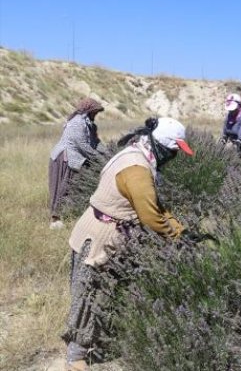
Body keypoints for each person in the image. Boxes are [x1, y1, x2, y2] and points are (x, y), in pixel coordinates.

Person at [62, 117, 194, 371]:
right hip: (103, 237)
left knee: (102, 292)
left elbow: (153, 207)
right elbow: (150, 216)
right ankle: (75, 357)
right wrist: (177, 237)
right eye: (174, 151)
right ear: (161, 146)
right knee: (90, 295)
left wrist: (181, 229)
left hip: (94, 228)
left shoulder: (135, 153)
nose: (174, 157)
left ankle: (101, 340)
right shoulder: (138, 169)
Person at [48, 97, 106, 229]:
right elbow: (82, 145)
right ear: (88, 110)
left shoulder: (90, 124)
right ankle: (55, 218)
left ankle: (76, 213)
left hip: (76, 158)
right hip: (65, 158)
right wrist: (100, 159)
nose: (96, 114)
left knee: (74, 187)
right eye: (94, 111)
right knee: (61, 187)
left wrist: (108, 153)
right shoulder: (77, 123)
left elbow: (96, 143)